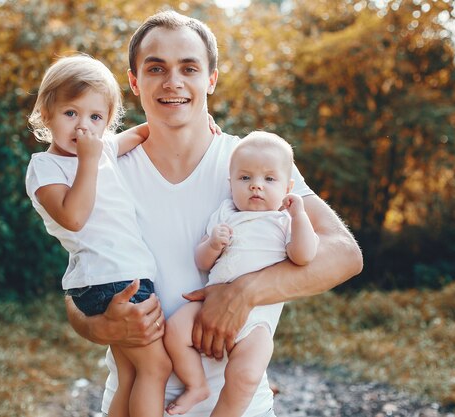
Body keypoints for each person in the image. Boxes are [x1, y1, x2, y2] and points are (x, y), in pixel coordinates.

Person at [64, 10, 363, 417]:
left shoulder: (255, 164)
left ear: (212, 79)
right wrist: (99, 327)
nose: (173, 82)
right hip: (134, 403)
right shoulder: (100, 169)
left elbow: (344, 254)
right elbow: (77, 287)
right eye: (156, 68)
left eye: (189, 67)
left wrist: (245, 292)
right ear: (134, 82)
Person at [24, 54, 172, 417]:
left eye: (95, 117)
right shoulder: (45, 167)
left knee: (130, 372)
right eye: (70, 113)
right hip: (109, 279)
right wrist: (89, 161)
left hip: (120, 274)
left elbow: (141, 132)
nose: (83, 128)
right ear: (47, 115)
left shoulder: (101, 147)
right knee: (157, 369)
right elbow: (74, 217)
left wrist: (201, 122)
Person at [164, 131, 319, 416]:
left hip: (257, 319)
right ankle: (196, 384)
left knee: (246, 375)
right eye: (245, 178)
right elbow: (202, 262)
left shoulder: (284, 221)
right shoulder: (225, 213)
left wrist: (299, 217)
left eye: (269, 179)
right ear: (230, 183)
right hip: (211, 302)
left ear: (288, 188)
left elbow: (304, 255)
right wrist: (212, 244)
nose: (256, 187)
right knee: (174, 331)